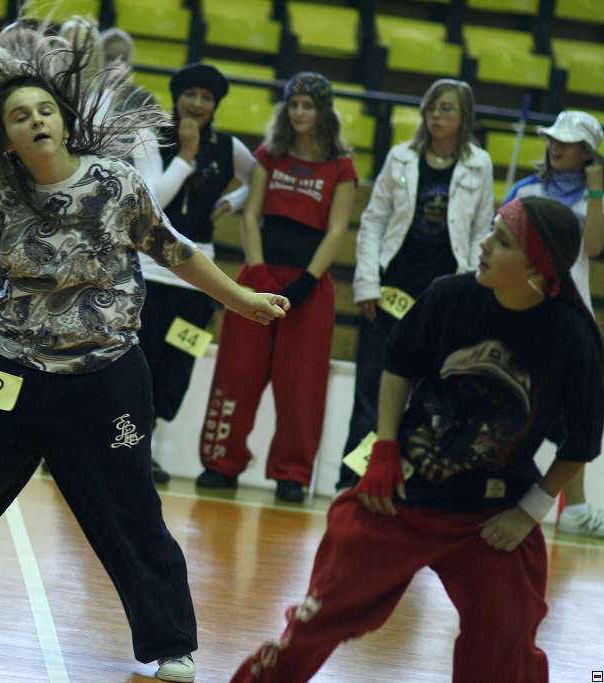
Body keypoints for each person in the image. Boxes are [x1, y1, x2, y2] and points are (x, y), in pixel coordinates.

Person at [0, 16, 288, 683]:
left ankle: (170, 642)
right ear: (6, 139)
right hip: (9, 368)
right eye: (20, 116)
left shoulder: (115, 183)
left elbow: (176, 251)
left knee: (129, 508)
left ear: (64, 121)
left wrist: (240, 299)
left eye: (44, 110)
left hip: (106, 376)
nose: (35, 121)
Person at [230, 196, 604, 683]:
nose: (484, 245)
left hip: (492, 515)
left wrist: (529, 511)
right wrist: (384, 449)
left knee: (507, 638)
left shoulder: (572, 336)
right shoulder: (450, 296)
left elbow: (583, 440)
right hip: (403, 494)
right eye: (490, 231)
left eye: (502, 242)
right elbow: (399, 363)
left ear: (538, 266)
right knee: (319, 619)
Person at [196, 72, 357, 502]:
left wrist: (307, 281)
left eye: (309, 106)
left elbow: (337, 230)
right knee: (237, 373)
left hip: (309, 287)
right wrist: (258, 270)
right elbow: (250, 215)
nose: (300, 113)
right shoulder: (270, 155)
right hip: (258, 278)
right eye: (294, 105)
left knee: (301, 385)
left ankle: (292, 474)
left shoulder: (342, 165)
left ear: (324, 112)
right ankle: (220, 463)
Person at [338, 79, 493, 490]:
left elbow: (481, 232)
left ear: (464, 117)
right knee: (371, 391)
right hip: (390, 289)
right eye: (431, 108)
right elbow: (373, 221)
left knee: (431, 396)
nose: (436, 116)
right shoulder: (400, 156)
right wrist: (367, 283)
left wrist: (470, 291)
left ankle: (409, 484)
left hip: (442, 298)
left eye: (446, 109)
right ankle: (353, 480)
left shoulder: (479, 164)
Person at [132, 62, 254, 483]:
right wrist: (185, 155)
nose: (198, 104)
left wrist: (233, 202)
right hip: (149, 272)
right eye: (191, 95)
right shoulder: (149, 135)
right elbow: (152, 199)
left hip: (198, 283)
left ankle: (143, 450)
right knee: (136, 362)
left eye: (207, 98)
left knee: (176, 365)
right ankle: (101, 444)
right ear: (176, 96)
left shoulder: (228, 146)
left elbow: (260, 178)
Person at [503, 109, 604, 538]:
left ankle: (574, 509)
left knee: (573, 414)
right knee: (511, 402)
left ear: (588, 152)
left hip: (570, 315)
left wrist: (597, 189)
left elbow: (594, 248)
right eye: (553, 139)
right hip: (520, 309)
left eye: (568, 142)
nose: (556, 146)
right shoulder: (526, 188)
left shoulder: (596, 198)